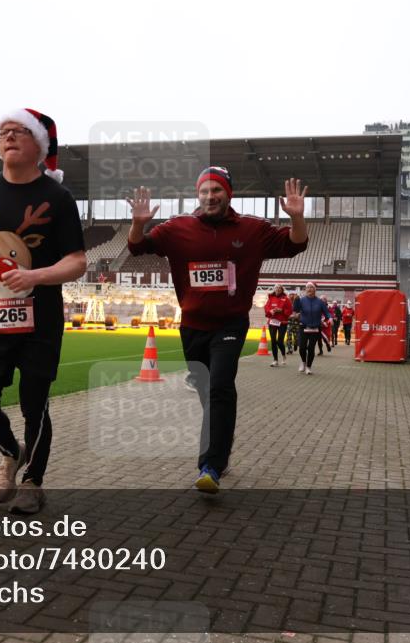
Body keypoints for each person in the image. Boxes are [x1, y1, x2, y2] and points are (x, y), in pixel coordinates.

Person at [127, 168, 308, 493]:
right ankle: (222, 436)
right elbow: (139, 247)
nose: (210, 196)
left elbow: (295, 245)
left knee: (221, 387)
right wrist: (139, 224)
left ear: (229, 194)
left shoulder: (252, 229)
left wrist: (296, 217)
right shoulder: (177, 228)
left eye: (217, 191)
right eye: (205, 191)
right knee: (207, 390)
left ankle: (210, 464)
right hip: (192, 327)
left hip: (230, 324)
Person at [0, 108, 87, 514]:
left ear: (39, 146)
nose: (8, 137)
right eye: (2, 131)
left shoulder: (58, 198)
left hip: (40, 318)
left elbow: (77, 261)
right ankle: (12, 451)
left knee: (35, 402)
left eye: (18, 132)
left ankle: (33, 482)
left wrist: (35, 277)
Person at [293, 282, 331, 375]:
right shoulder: (302, 300)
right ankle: (303, 362)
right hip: (304, 326)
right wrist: (296, 300)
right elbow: (296, 310)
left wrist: (329, 318)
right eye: (308, 287)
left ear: (314, 290)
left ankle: (309, 367)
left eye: (311, 287)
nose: (309, 289)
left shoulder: (320, 301)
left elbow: (327, 312)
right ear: (306, 290)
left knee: (311, 348)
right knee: (302, 347)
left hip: (315, 328)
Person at [263, 285, 292, 367]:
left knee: (279, 341)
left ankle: (283, 355)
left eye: (279, 288)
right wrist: (270, 311)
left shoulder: (286, 299)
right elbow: (266, 308)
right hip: (272, 322)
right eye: (276, 288)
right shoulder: (271, 298)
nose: (278, 289)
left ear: (282, 290)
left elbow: (289, 311)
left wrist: (281, 310)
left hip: (282, 322)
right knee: (273, 341)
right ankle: (275, 360)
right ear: (274, 289)